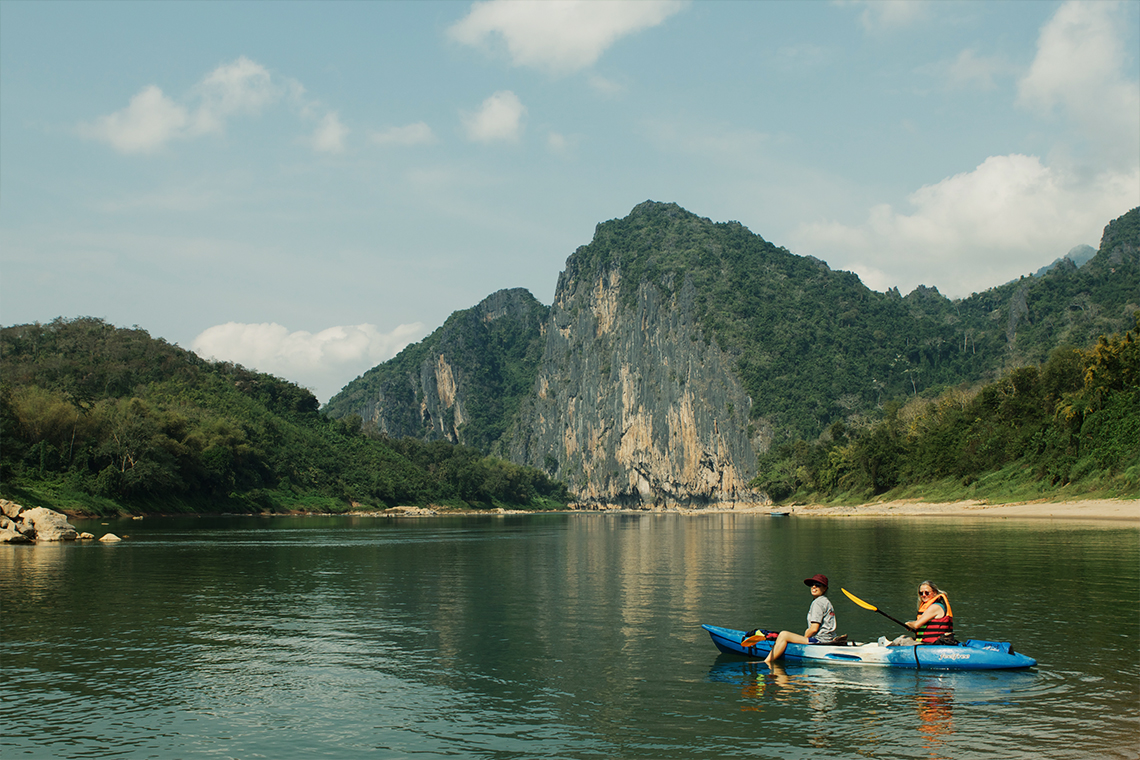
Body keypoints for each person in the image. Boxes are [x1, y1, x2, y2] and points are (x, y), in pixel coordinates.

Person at [763, 573, 837, 664]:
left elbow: (814, 629)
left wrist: (803, 639)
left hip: (820, 640)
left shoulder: (817, 603)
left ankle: (767, 662)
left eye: (818, 585)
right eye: (812, 584)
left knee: (783, 635)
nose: (814, 587)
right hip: (829, 639)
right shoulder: (826, 602)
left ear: (825, 588)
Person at [889, 580, 954, 646]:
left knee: (901, 641)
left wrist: (908, 624)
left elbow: (916, 625)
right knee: (903, 637)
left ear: (935, 593)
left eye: (927, 593)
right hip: (929, 643)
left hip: (935, 644)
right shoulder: (931, 606)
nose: (923, 595)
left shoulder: (935, 607)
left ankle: (886, 650)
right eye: (921, 593)